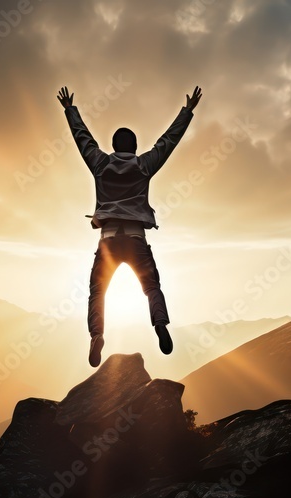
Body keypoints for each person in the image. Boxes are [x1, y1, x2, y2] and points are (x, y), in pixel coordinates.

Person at [57, 85, 202, 367]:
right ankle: (160, 324)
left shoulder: (100, 164)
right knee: (151, 287)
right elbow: (168, 142)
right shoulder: (144, 165)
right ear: (134, 148)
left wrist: (70, 110)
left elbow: (82, 138)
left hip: (108, 240)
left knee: (98, 292)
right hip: (136, 239)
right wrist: (187, 111)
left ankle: (97, 334)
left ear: (113, 147)